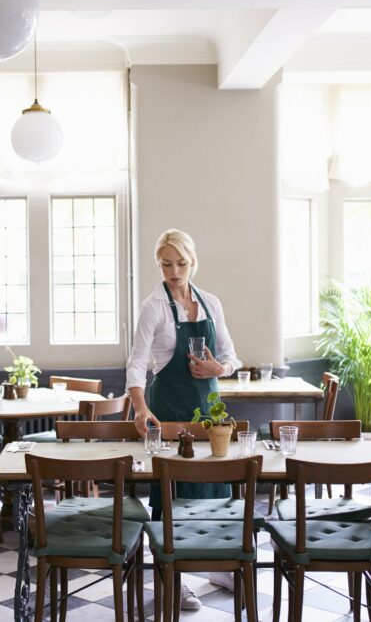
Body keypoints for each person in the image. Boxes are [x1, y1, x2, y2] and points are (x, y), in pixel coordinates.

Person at [126, 229, 241, 608]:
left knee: (215, 489)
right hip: (170, 413)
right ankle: (171, 576)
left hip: (210, 411)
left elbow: (231, 356)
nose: (174, 271)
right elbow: (138, 362)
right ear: (158, 264)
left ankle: (217, 564)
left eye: (181, 263)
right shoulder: (153, 307)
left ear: (193, 263)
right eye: (165, 263)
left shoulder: (210, 303)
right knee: (173, 492)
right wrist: (141, 408)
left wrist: (217, 369)